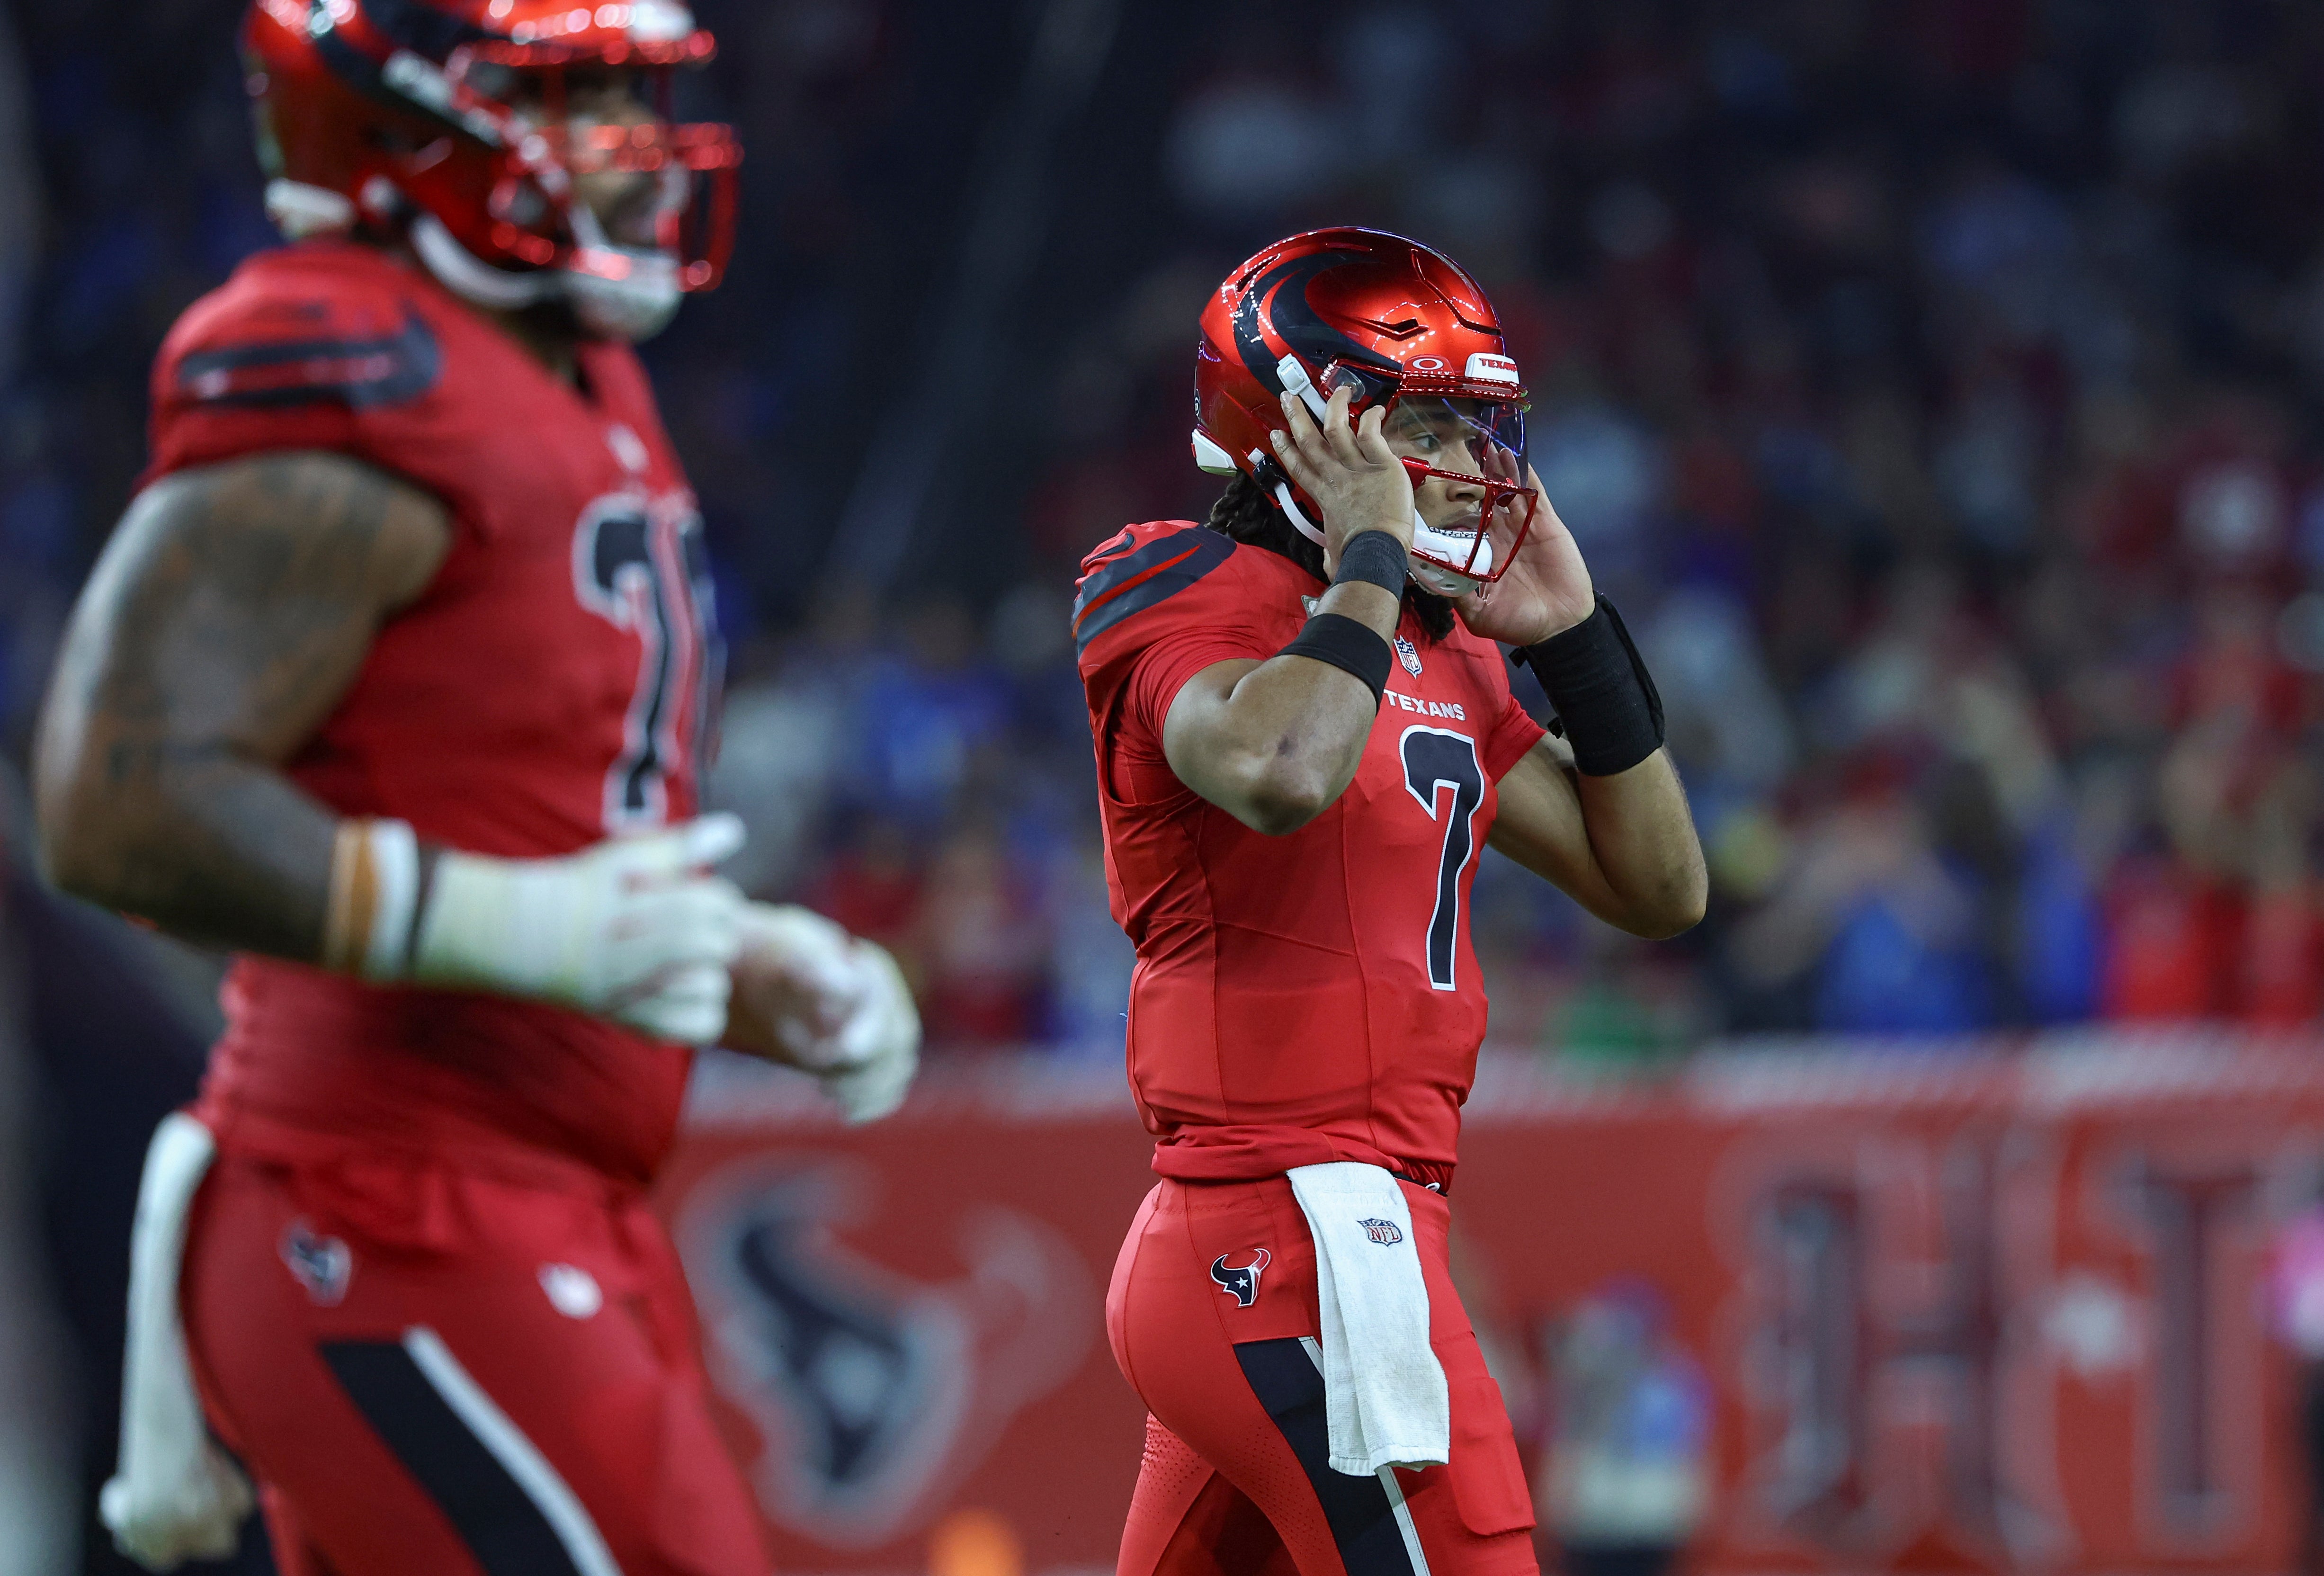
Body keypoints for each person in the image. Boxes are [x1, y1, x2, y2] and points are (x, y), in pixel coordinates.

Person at [31, 4, 915, 1574]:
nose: (637, 153)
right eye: (573, 99)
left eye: (637, 98)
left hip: (535, 1201)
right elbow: (119, 796)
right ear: (396, 119)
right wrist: (530, 932)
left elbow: (509, 792)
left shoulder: (568, 367)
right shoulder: (354, 360)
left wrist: (720, 957)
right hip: (385, 1200)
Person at [1080, 228, 1707, 1576]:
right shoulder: (1171, 579)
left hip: (1338, 1224)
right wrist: (1365, 557)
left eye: (1475, 427)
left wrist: (1576, 639)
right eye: (1425, 418)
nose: (1472, 465)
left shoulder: (1440, 651)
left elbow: (1660, 887)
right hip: (1290, 1226)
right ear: (1301, 417)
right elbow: (1277, 767)